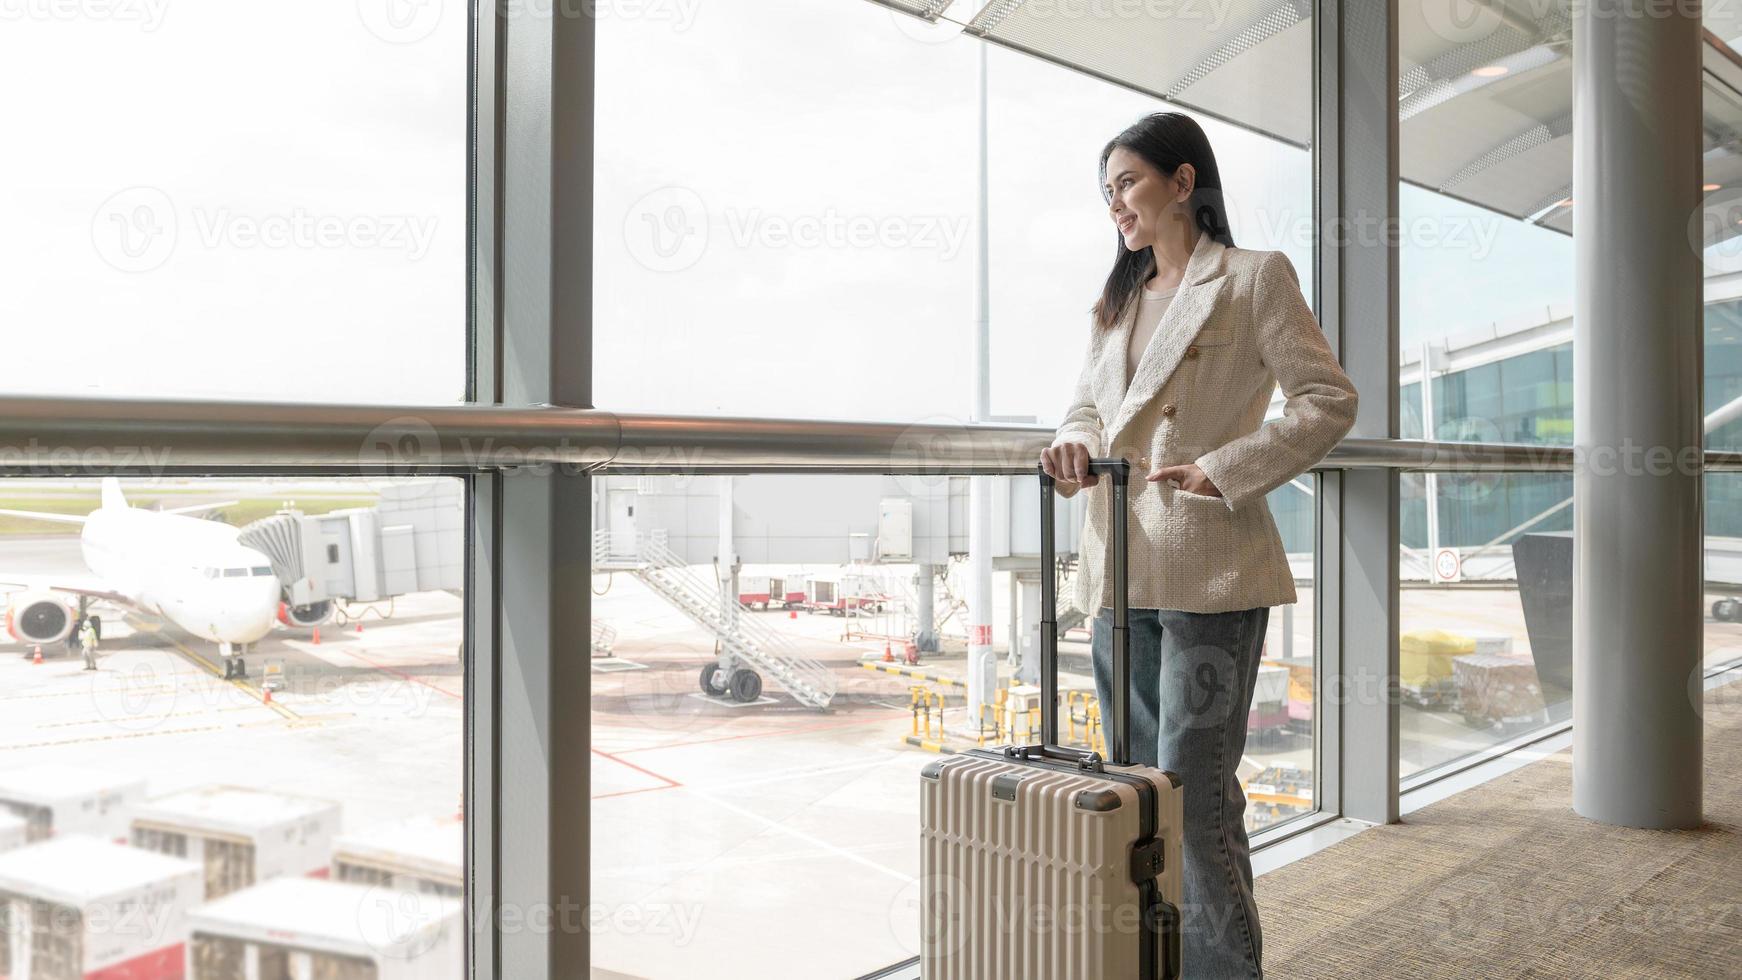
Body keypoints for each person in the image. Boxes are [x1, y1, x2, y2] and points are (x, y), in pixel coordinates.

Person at [1039, 111, 1358, 980]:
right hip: (1119, 571)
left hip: (1211, 569)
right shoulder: (1115, 303)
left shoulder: (1253, 279)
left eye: (1130, 183)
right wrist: (1071, 442)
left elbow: (1327, 400)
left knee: (1197, 793)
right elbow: (1085, 406)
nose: (1116, 205)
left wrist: (1226, 466)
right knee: (1140, 791)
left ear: (1184, 182)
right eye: (1107, 191)